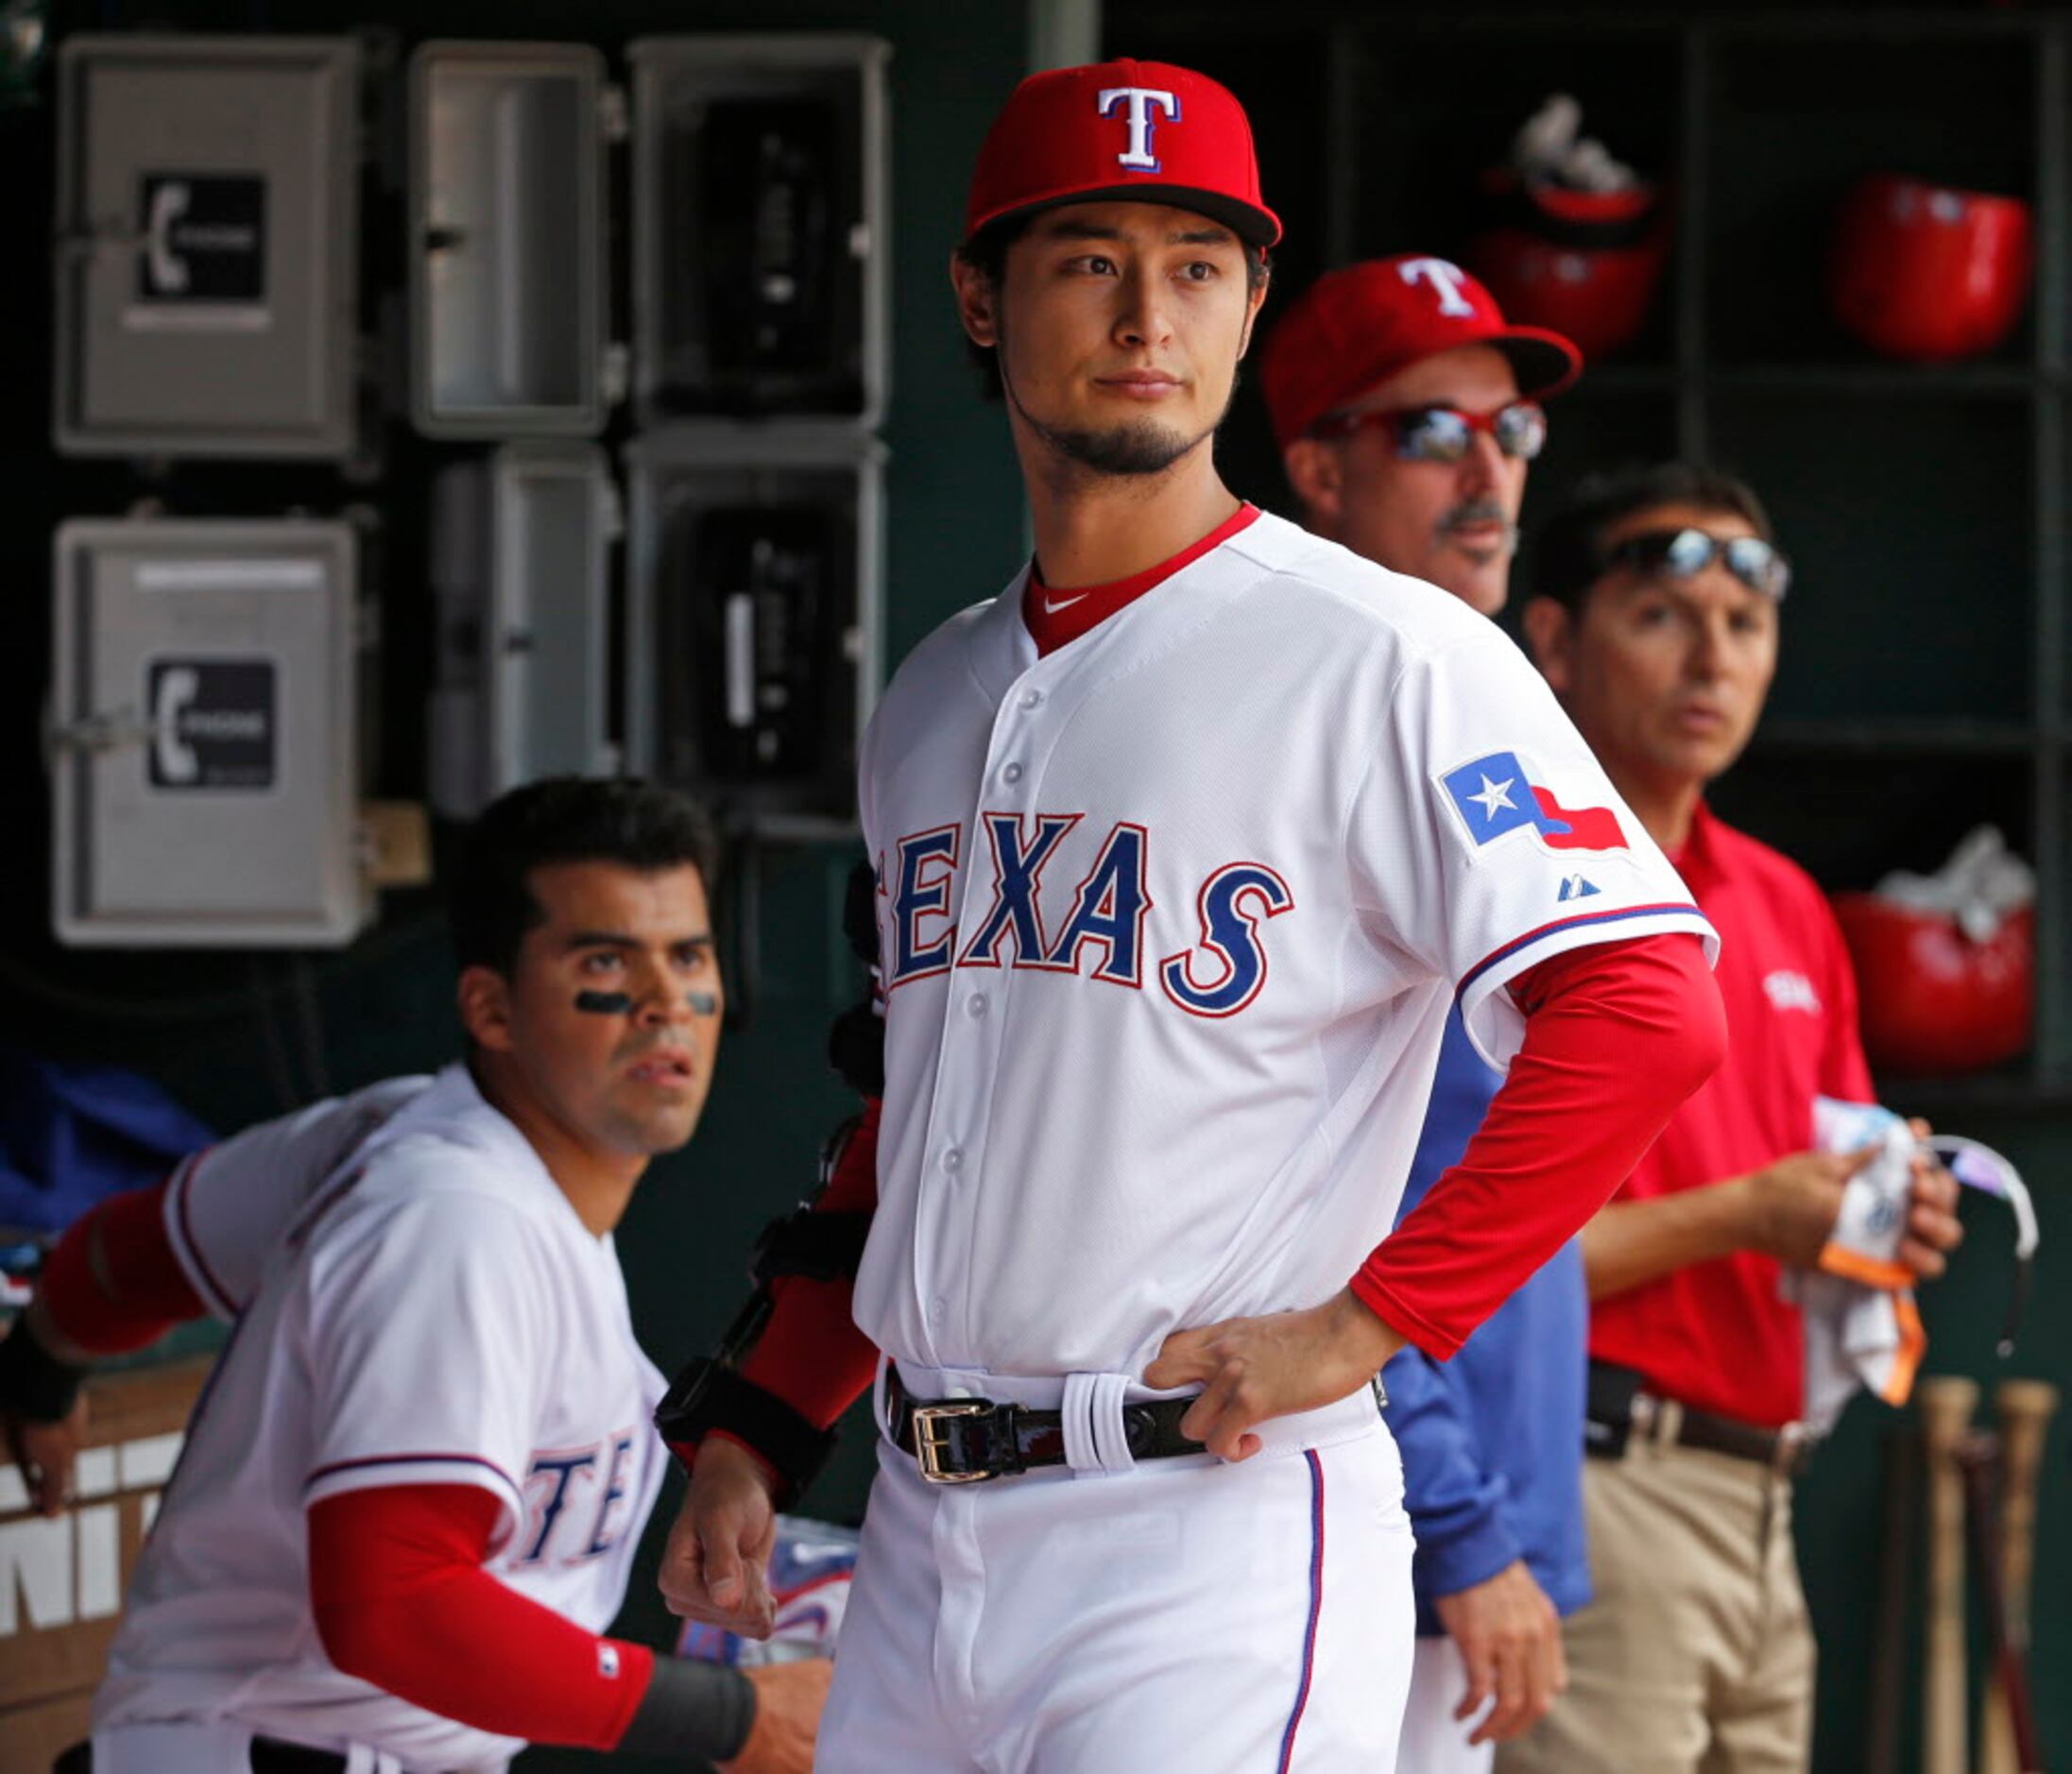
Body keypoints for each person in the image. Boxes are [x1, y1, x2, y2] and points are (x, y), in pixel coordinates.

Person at [656, 60, 1729, 1773]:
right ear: (978, 298)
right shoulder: (933, 693)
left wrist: (1373, 1318)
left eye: (1198, 262)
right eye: (1087, 257)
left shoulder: (1389, 651)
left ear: (1245, 312)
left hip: (1204, 1529)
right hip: (924, 1537)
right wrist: (765, 1422)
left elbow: (1649, 1004)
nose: (1147, 310)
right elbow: (912, 1113)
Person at [0, 778, 826, 1774]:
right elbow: (392, 1607)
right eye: (605, 959)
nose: (664, 1003)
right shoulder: (455, 1223)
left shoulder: (400, 1130)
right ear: (491, 1006)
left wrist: (41, 1368)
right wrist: (728, 1719)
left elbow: (139, 1252)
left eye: (687, 956)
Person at [1495, 465, 1966, 1773]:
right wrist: (1758, 1212)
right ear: (1552, 639)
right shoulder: (1509, 882)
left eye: (1744, 623)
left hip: (1765, 1497)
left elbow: (1829, 1186)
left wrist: (1889, 1213)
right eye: (1659, 614)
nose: (1712, 656)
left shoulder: (1784, 900)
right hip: (1589, 1479)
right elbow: (1461, 1263)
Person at [1259, 256, 1589, 1769]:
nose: (1486, 468)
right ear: (1317, 463)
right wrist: (1460, 1518)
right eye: (1429, 431)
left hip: (1439, 1503)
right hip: (1337, 1499)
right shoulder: (1297, 713)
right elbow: (1328, 1191)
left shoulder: (1480, 697)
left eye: (1511, 430)